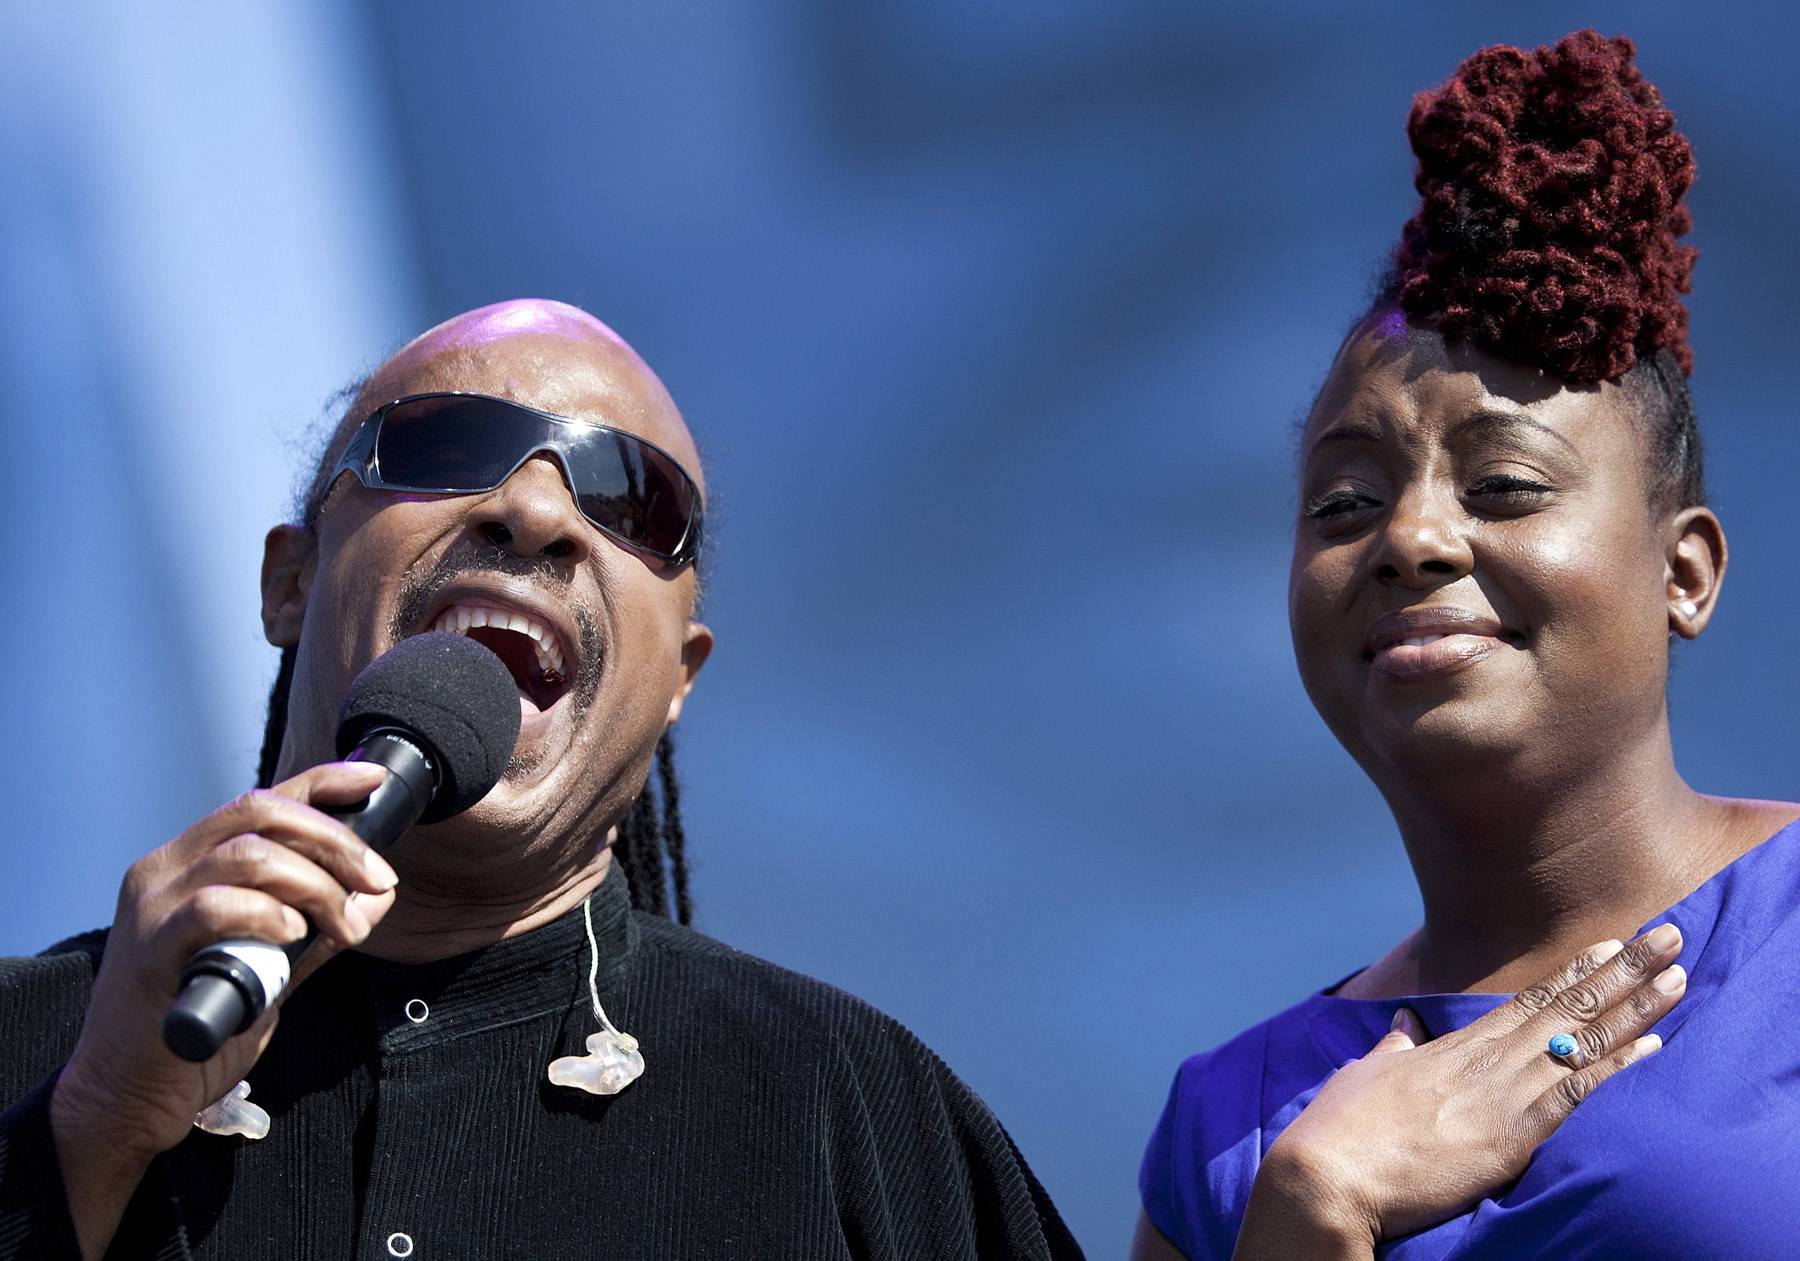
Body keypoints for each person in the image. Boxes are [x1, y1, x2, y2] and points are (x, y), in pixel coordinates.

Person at [0, 299, 1086, 1260]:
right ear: (290, 582)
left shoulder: (856, 1116)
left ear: (680, 678)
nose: (535, 511)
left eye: (633, 499)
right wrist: (96, 1120)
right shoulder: (36, 1046)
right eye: (447, 442)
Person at [1134, 30, 1800, 1259]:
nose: (1411, 538)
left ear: (1685, 573)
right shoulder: (1225, 1135)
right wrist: (1312, 1209)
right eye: (1345, 503)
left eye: (1503, 485)